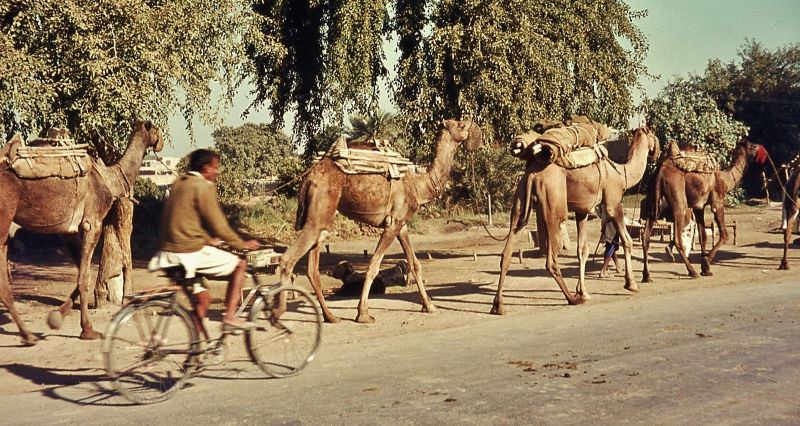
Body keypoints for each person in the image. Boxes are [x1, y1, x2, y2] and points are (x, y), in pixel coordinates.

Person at [148, 149, 260, 335]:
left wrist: (208, 241)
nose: (217, 172)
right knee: (240, 264)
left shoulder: (179, 183)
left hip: (168, 253)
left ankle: (195, 352)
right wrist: (242, 244)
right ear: (207, 168)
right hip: (188, 254)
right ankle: (230, 317)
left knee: (203, 300)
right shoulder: (202, 186)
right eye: (216, 168)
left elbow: (183, 222)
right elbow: (220, 226)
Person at [598, 210, 621, 278]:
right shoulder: (610, 203)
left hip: (607, 223)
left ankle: (618, 266)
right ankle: (603, 270)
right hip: (611, 224)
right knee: (611, 245)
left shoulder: (604, 203)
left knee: (611, 246)